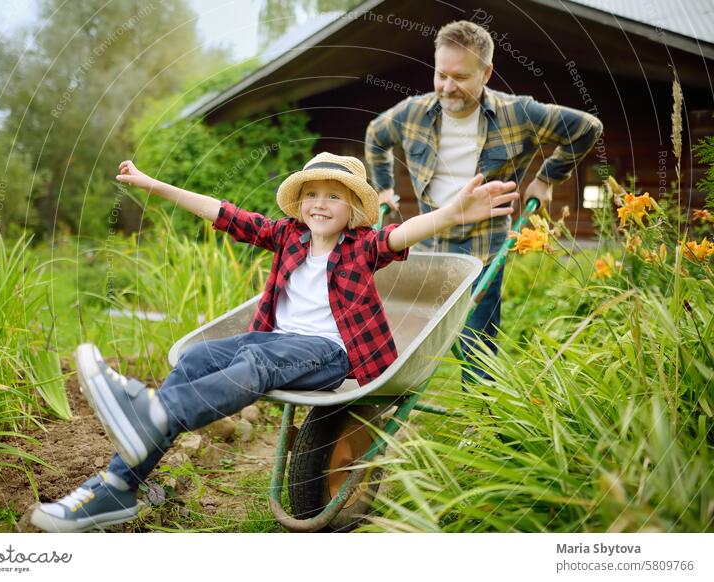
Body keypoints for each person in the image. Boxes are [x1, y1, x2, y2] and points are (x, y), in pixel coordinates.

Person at [30, 152, 518, 532]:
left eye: (334, 195)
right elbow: (224, 213)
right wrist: (154, 184)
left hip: (331, 354)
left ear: (353, 211)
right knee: (198, 358)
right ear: (299, 203)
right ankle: (118, 485)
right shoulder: (287, 236)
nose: (320, 203)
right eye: (312, 194)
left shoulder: (362, 247)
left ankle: (156, 413)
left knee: (259, 362)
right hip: (273, 344)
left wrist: (452, 213)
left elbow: (403, 233)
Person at [365, 20, 603, 382]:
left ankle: (479, 420)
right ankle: (385, 393)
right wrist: (382, 187)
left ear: (487, 72)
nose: (447, 87)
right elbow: (375, 135)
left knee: (477, 338)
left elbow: (587, 128)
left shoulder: (518, 114)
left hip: (484, 245)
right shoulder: (413, 113)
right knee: (408, 330)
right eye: (440, 75)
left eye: (459, 77)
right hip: (429, 240)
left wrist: (546, 178)